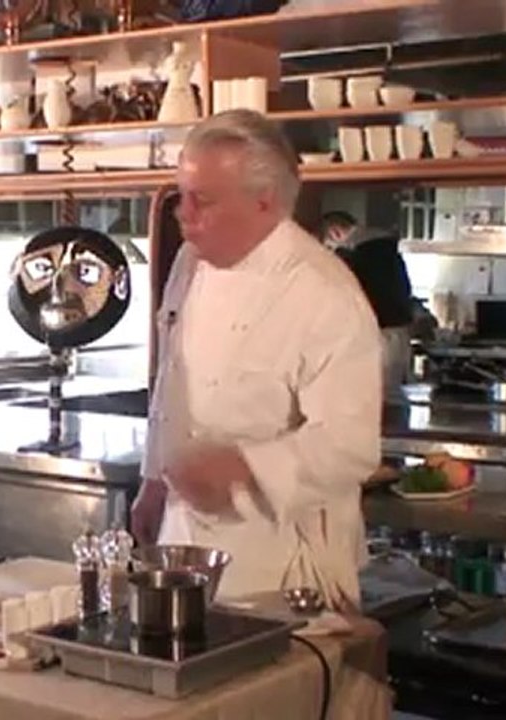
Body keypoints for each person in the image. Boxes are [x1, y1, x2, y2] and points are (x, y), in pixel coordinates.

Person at [131, 110, 382, 611]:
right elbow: (172, 377)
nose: (184, 214)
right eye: (182, 195)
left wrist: (244, 468)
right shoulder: (190, 262)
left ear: (264, 201)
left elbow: (351, 446)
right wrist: (153, 478)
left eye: (203, 201)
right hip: (183, 538)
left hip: (281, 561)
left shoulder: (323, 293)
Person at [320, 210, 415, 397]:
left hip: (374, 336)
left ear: (335, 232)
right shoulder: (389, 253)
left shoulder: (353, 257)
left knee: (369, 398)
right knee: (393, 398)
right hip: (398, 334)